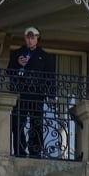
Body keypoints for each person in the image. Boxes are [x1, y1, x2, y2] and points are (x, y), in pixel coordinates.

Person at [8, 27, 54, 157]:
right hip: (21, 94)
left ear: (37, 39)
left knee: (37, 123)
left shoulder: (44, 56)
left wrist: (51, 96)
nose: (30, 41)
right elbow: (9, 72)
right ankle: (19, 150)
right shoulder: (18, 53)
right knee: (18, 123)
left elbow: (50, 77)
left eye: (32, 38)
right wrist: (17, 63)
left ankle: (35, 151)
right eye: (28, 38)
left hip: (37, 95)